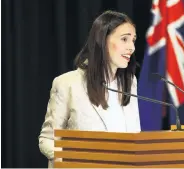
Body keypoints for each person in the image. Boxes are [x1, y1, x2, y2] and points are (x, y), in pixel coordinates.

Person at [38, 10, 141, 168]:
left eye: (133, 40)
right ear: (102, 40)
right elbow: (47, 140)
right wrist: (75, 160)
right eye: (124, 39)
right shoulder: (67, 83)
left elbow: (134, 139)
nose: (131, 47)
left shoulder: (130, 82)